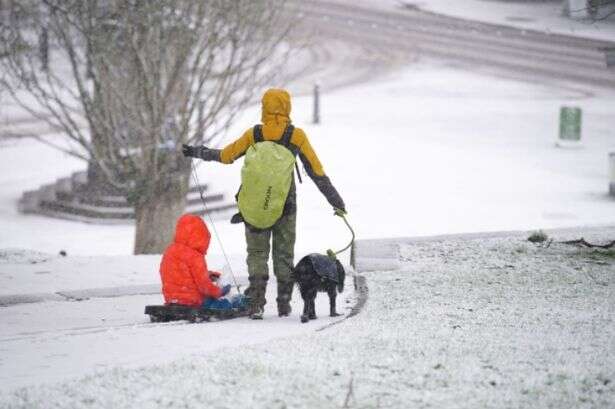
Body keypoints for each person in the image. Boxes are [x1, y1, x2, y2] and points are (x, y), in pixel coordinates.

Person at [182, 88, 345, 320]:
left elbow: (227, 156)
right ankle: (284, 305)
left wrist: (199, 152)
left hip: (254, 205)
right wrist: (336, 202)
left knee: (257, 253)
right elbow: (316, 172)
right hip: (286, 206)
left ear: (264, 108)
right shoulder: (295, 136)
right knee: (284, 255)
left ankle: (256, 303)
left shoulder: (254, 134)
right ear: (287, 107)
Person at [160, 213, 231, 307]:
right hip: (192, 301)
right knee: (226, 304)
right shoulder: (195, 256)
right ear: (201, 237)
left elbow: (181, 274)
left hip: (172, 300)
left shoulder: (170, 251)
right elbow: (204, 286)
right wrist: (219, 292)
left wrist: (207, 274)